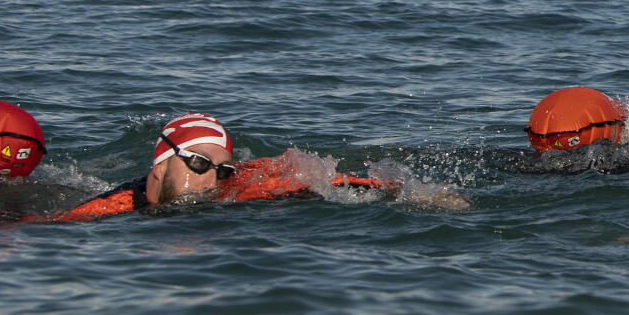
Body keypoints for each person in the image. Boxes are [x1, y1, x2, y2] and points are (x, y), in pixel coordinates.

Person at [54, 113, 445, 221]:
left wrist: (418, 195)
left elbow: (324, 179)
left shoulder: (242, 186)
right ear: (159, 166)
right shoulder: (110, 208)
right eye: (199, 163)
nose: (213, 179)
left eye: (223, 169)